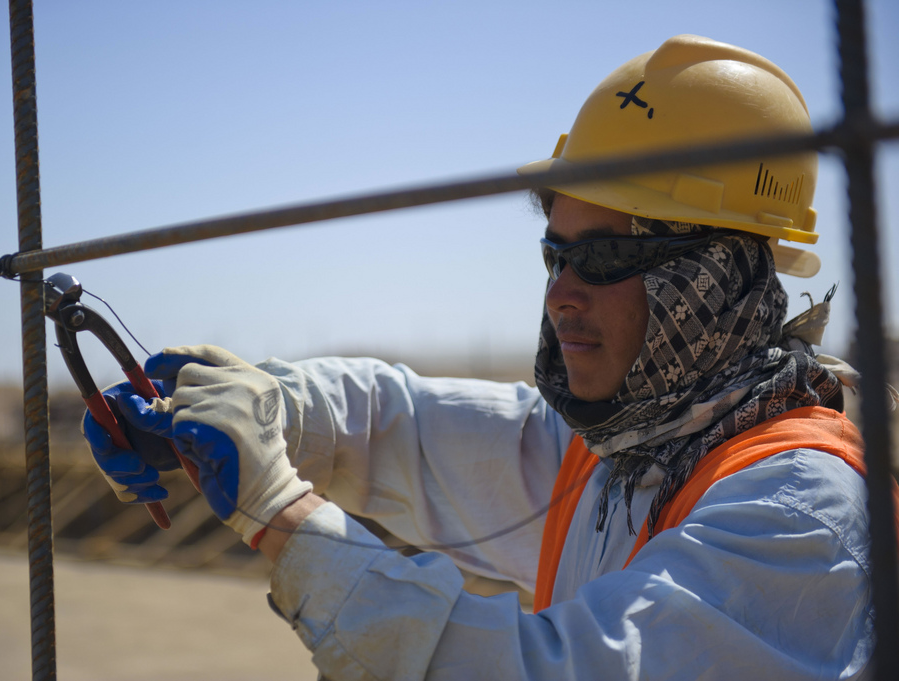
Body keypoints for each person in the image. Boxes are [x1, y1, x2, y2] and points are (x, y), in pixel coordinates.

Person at [84, 35, 893, 680]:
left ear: (712, 279)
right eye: (556, 254)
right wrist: (254, 402)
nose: (560, 294)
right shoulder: (618, 456)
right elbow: (398, 426)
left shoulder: (800, 514)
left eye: (606, 257)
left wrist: (284, 518)